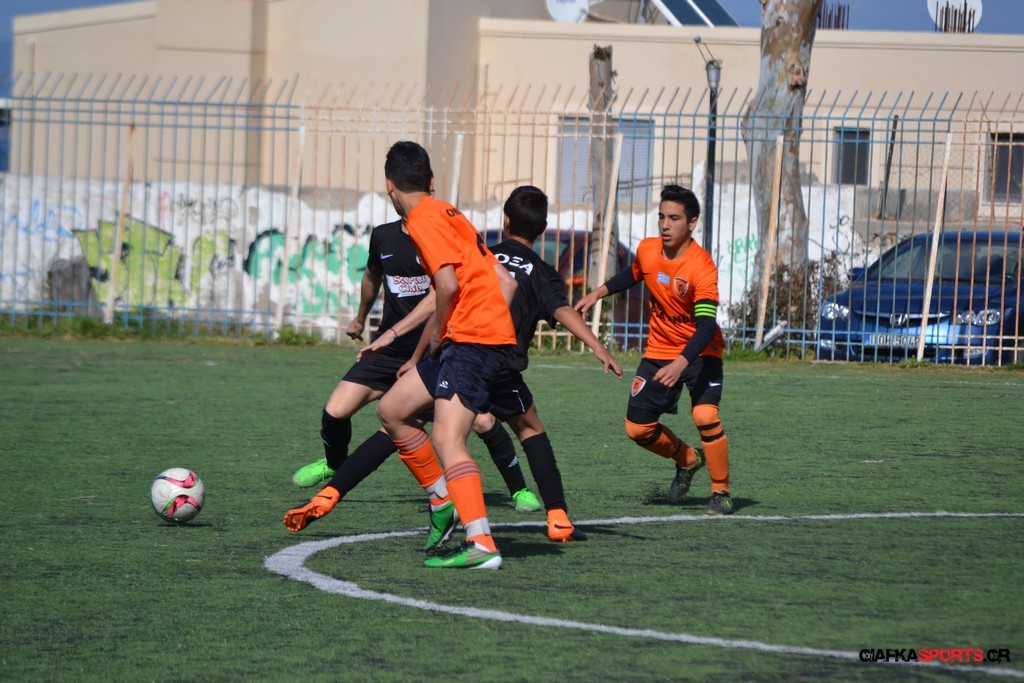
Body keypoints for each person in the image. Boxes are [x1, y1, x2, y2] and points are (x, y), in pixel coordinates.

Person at [289, 140, 518, 570]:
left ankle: (482, 544)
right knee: (393, 409)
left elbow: (446, 287)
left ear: (389, 186)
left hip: (471, 341)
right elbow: (505, 282)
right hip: (474, 338)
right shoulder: (448, 212)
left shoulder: (421, 221)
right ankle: (442, 502)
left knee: (448, 440)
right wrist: (398, 333)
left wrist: (446, 334)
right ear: (429, 181)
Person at [288, 217, 541, 513]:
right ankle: (334, 464)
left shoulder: (442, 238)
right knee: (335, 411)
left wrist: (421, 351)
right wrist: (360, 317)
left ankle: (518, 489)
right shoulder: (383, 236)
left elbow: (443, 294)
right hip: (388, 350)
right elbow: (371, 278)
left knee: (482, 421)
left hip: (432, 353)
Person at [574, 185, 733, 515]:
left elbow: (706, 326)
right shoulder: (648, 250)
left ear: (692, 222)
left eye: (674, 218)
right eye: (661, 217)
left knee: (705, 415)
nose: (665, 225)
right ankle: (688, 459)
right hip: (660, 350)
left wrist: (680, 363)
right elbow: (632, 274)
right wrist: (596, 294)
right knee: (637, 428)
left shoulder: (702, 267)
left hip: (700, 353)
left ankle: (721, 492)